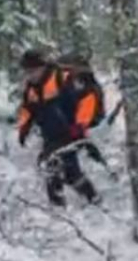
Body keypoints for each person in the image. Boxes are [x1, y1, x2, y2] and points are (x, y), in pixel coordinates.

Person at [16, 50, 101, 207]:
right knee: (67, 173)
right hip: (50, 135)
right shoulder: (31, 89)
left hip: (70, 132)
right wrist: (23, 129)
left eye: (33, 70)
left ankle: (60, 208)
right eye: (27, 71)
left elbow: (87, 98)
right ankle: (91, 200)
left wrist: (80, 125)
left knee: (52, 167)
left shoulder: (62, 78)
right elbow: (27, 110)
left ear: (43, 67)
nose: (30, 75)